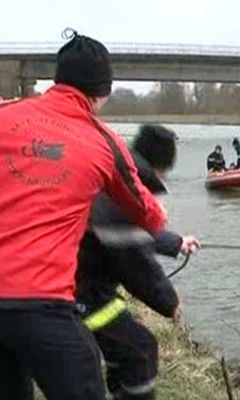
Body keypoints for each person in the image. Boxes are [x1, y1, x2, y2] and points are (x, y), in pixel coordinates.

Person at [0, 29, 166, 400]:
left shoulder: (5, 113)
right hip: (42, 305)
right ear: (102, 92)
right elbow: (149, 215)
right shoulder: (104, 140)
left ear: (57, 81)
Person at [77, 125, 199, 400]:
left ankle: (119, 390)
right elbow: (134, 261)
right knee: (141, 349)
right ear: (160, 166)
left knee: (127, 347)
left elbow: (131, 232)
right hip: (80, 292)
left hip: (84, 283)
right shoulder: (124, 195)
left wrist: (176, 242)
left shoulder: (115, 176)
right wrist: (170, 303)